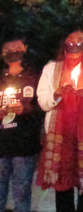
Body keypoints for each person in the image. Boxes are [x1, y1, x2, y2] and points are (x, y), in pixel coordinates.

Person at [36, 27, 83, 212]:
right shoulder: (51, 68)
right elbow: (43, 101)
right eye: (72, 37)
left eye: (81, 37)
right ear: (65, 41)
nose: (76, 40)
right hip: (62, 137)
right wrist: (56, 94)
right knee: (63, 184)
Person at [0, 37, 44, 212]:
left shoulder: (34, 76)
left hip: (24, 145)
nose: (13, 53)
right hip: (1, 144)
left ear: (25, 49)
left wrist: (25, 110)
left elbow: (43, 108)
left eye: (17, 49)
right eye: (8, 50)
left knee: (22, 191)